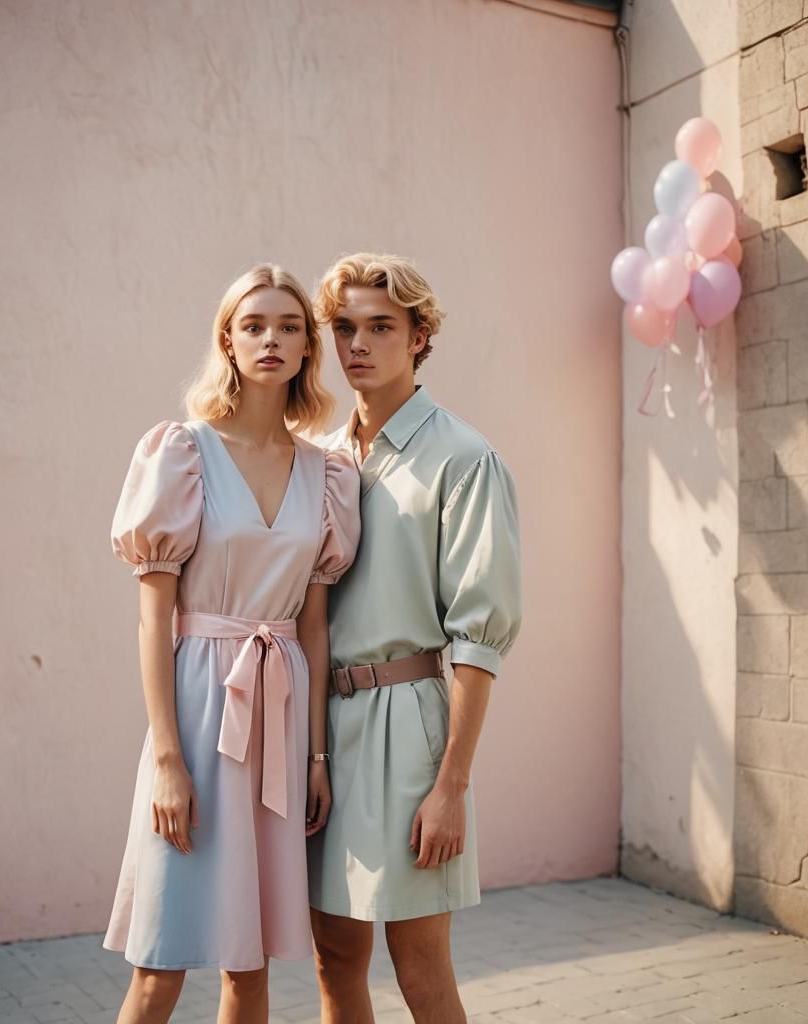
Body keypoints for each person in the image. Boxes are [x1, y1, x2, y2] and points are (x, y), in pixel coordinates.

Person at [102, 264, 361, 1024]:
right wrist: (167, 759)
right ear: (228, 341)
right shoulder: (182, 453)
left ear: (307, 347)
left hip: (279, 723)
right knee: (159, 967)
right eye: (253, 326)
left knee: (249, 968)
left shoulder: (327, 474)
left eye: (289, 326)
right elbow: (155, 620)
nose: (271, 339)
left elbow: (313, 626)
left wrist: (316, 757)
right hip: (197, 715)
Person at [307, 253, 523, 1024]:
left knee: (419, 967)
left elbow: (479, 639)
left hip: (410, 731)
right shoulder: (321, 459)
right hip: (324, 731)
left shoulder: (465, 458)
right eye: (344, 328)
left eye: (380, 327)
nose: (358, 345)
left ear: (419, 336)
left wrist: (451, 786)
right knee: (334, 958)